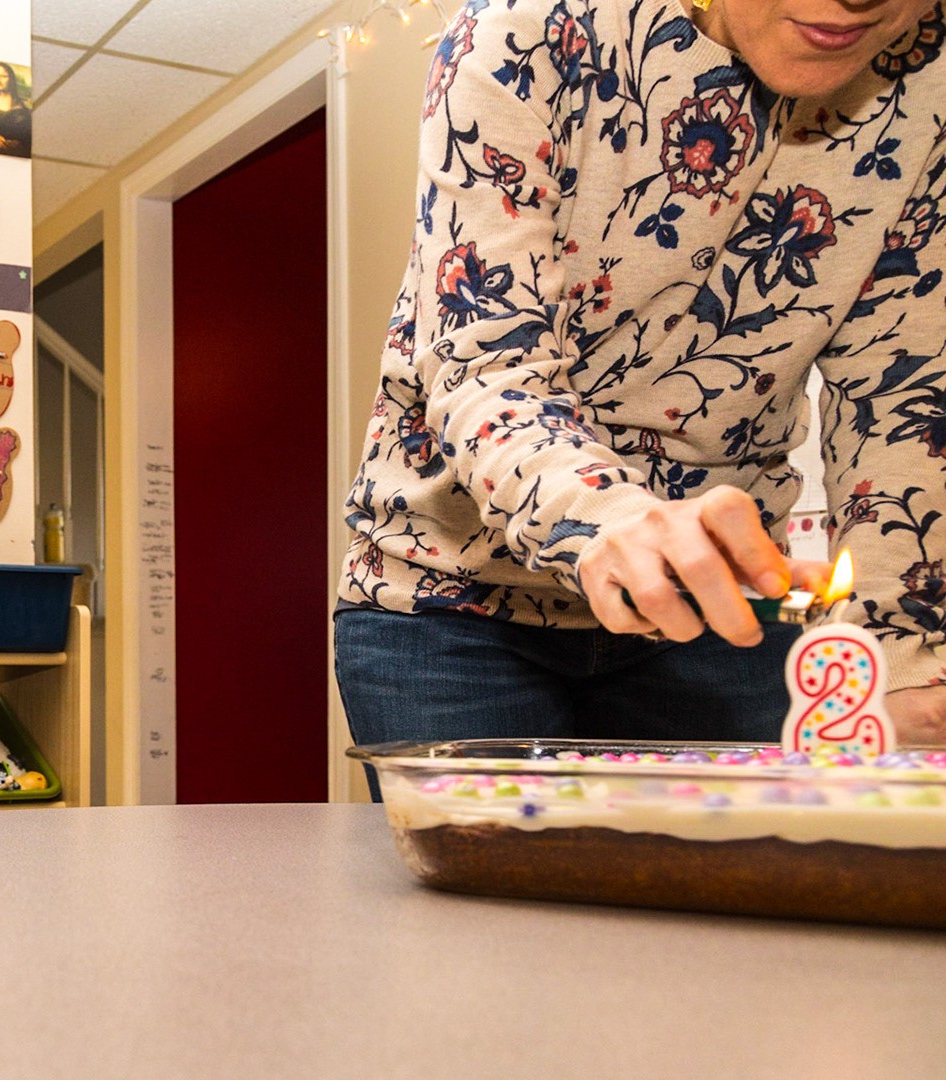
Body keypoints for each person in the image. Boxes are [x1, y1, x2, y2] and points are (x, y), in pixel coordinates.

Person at [335, 0, 946, 767]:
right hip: (450, 603)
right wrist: (608, 520)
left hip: (725, 614)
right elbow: (485, 359)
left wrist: (905, 652)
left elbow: (904, 397)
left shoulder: (933, 74)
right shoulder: (529, 24)